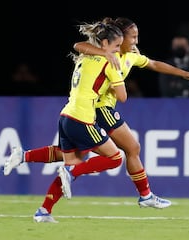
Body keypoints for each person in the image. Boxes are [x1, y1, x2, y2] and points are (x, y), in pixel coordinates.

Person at [4, 17, 189, 222]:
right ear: (119, 39)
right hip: (98, 109)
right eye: (132, 37)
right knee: (127, 150)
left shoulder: (130, 55)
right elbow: (80, 46)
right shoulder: (107, 58)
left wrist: (183, 73)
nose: (135, 41)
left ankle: (42, 203)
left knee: (73, 157)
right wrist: (108, 60)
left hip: (74, 112)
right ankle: (145, 195)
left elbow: (153, 63)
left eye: (137, 37)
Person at [32, 19, 125, 223]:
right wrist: (116, 76)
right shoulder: (110, 63)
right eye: (116, 45)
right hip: (82, 118)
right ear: (105, 44)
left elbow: (78, 45)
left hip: (65, 116)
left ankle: (44, 211)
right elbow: (123, 96)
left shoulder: (84, 57)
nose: (118, 50)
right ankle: (72, 172)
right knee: (116, 158)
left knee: (71, 164)